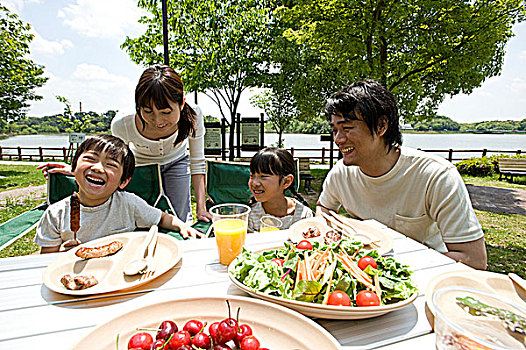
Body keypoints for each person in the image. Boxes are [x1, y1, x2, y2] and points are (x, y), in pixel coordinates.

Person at [316, 79, 487, 270]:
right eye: (334, 130)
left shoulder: (436, 175)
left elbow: (474, 259)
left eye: (347, 128)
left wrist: (386, 266)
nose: (338, 140)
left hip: (427, 278)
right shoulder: (340, 174)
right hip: (363, 276)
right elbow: (324, 208)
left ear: (381, 126)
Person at [38, 65, 211, 224]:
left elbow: (197, 162)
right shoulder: (123, 123)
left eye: (166, 112)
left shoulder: (194, 115)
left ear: (181, 103)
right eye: (148, 111)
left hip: (177, 162)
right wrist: (75, 170)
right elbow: (113, 159)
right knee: (142, 213)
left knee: (179, 216)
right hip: (139, 165)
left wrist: (201, 208)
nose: (157, 121)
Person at [35, 135, 201, 253]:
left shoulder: (129, 204)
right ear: (73, 167)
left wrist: (182, 225)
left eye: (111, 165)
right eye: (91, 159)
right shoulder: (56, 214)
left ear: (123, 182)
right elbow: (46, 259)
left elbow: (162, 218)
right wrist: (62, 255)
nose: (98, 168)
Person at [247, 147, 313, 232]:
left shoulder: (303, 216)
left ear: (286, 181)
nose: (255, 183)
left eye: (263, 176)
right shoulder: (250, 215)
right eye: (252, 176)